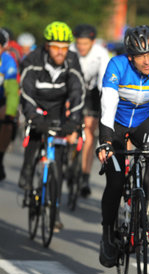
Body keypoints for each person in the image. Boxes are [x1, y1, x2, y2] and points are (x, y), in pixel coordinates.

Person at [96, 25, 149, 268]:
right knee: (115, 181)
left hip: (144, 120)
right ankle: (107, 234)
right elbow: (108, 103)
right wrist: (105, 139)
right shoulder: (117, 65)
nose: (147, 61)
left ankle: (145, 212)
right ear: (130, 56)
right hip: (116, 124)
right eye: (141, 56)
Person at [18, 21, 85, 230]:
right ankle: (27, 171)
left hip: (58, 108)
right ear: (47, 46)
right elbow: (26, 91)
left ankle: (54, 212)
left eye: (64, 48)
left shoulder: (72, 61)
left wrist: (74, 119)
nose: (60, 52)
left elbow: (77, 91)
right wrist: (32, 116)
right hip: (37, 106)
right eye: (56, 47)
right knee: (36, 136)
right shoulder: (32, 60)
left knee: (59, 160)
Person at [71, 24, 110, 197]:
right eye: (79, 43)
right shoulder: (70, 51)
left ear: (93, 42)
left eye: (85, 44)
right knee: (70, 128)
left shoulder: (101, 54)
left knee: (89, 131)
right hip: (72, 89)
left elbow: (104, 84)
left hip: (93, 92)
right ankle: (67, 156)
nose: (81, 47)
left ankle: (85, 175)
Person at [0, 30, 19, 181]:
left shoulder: (7, 61)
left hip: (2, 100)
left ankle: (0, 157)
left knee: (9, 121)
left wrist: (10, 113)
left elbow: (12, 90)